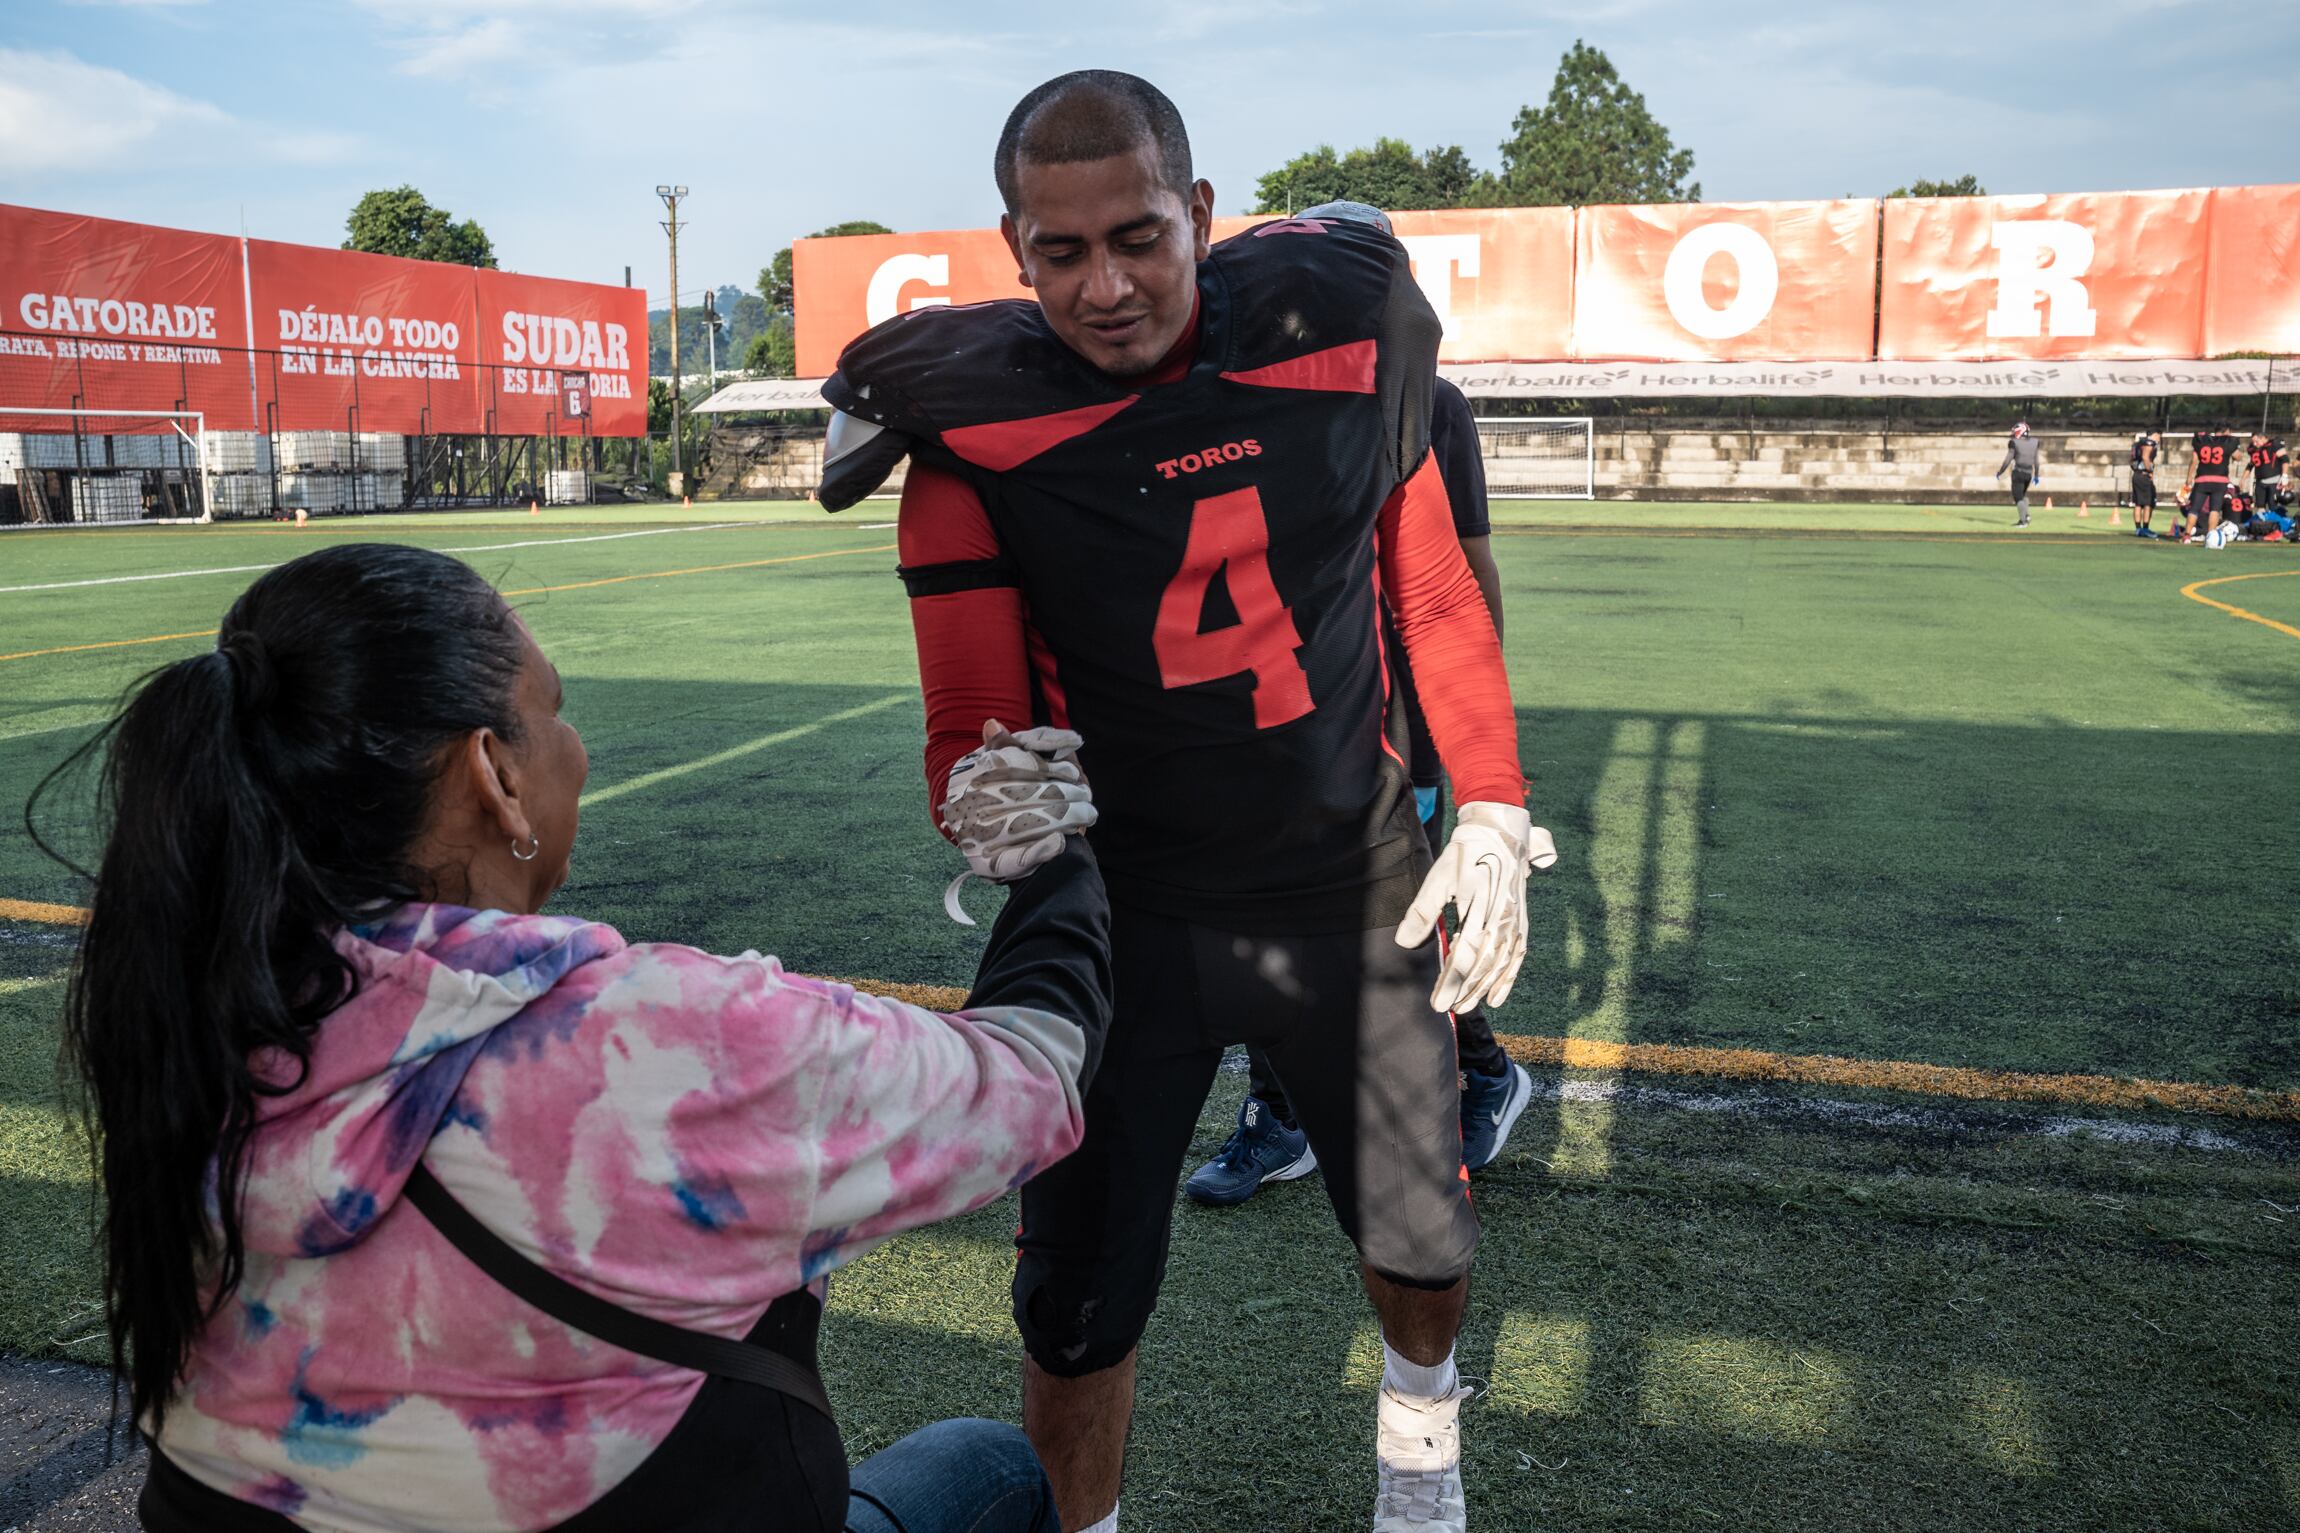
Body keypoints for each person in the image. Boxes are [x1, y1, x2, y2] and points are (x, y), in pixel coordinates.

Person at [819, 72, 1548, 1533]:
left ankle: (1425, 1474)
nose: (1107, 285)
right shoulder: (969, 434)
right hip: (1117, 905)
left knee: (1422, 1236)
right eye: (1064, 251)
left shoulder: (1348, 343)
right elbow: (965, 715)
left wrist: (1488, 806)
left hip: (1344, 877)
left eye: (1140, 236)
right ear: (1014, 253)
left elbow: (1431, 591)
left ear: (1202, 216)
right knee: (1074, 1300)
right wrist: (982, 798)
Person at [45, 543, 1111, 1533]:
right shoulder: (652, 1042)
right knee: (990, 1468)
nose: (572, 744)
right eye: (551, 711)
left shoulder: (194, 1005)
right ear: (491, 774)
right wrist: (1045, 856)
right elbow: (1030, 1075)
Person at [1186, 230, 1529, 1206]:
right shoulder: (1238, 396)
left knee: (1398, 920)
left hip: (1390, 713)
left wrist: (1468, 725)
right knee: (1254, 913)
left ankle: (1480, 1073)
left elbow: (1461, 569)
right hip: (1272, 712)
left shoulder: (1429, 403)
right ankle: (1279, 1111)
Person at [2189, 420, 2240, 541]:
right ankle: (2210, 536)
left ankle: (2186, 536)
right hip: (2219, 480)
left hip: (2202, 479)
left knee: (2195, 509)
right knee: (2215, 509)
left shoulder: (2203, 440)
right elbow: (2237, 456)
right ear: (2226, 431)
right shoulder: (2228, 442)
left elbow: (2195, 460)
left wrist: (2189, 477)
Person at [1994, 422, 2041, 527]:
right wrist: (2037, 475)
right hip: (2029, 473)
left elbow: (2008, 459)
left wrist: (2000, 471)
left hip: (2018, 472)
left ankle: (2023, 521)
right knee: (2023, 495)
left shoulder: (2014, 443)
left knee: (2018, 497)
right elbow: (2036, 461)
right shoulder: (2034, 442)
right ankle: (2027, 515)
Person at [2129, 431, 2160, 539]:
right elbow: (2145, 457)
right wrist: (2150, 470)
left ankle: (2138, 528)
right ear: (2155, 434)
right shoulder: (2149, 443)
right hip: (2143, 476)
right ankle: (2145, 529)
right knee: (2148, 503)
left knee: (2138, 503)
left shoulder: (2136, 444)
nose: (2159, 438)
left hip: (2136, 474)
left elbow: (2131, 460)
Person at [2249, 430, 2287, 509]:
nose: (2254, 444)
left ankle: (2275, 521)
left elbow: (2285, 460)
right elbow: (2251, 464)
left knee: (2273, 504)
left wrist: (2284, 475)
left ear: (2262, 438)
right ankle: (2262, 521)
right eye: (2253, 442)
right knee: (2260, 505)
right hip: (2260, 482)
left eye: (2256, 441)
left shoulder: (2274, 444)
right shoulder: (2256, 449)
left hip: (2274, 481)